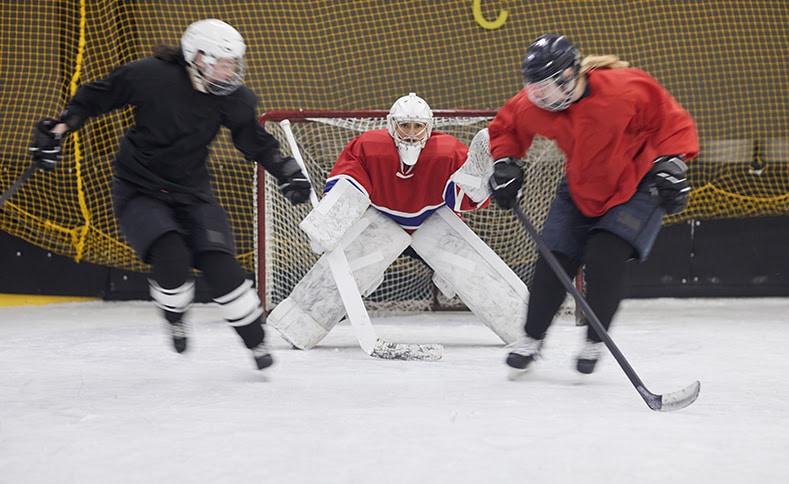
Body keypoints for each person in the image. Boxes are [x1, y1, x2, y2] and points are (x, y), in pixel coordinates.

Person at [27, 19, 311, 370]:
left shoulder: (235, 100)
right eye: (222, 63)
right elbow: (94, 98)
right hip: (139, 189)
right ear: (198, 57)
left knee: (221, 267)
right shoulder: (149, 76)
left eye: (233, 64)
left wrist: (286, 171)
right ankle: (174, 316)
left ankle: (255, 344)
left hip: (192, 192)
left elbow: (255, 142)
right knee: (171, 255)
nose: (230, 72)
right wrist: (57, 130)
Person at [488, 33, 698, 376]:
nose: (542, 96)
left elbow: (670, 119)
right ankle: (531, 338)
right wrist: (506, 161)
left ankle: (594, 339)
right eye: (536, 87)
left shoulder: (624, 88)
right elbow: (507, 126)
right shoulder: (537, 105)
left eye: (549, 86)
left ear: (571, 74)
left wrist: (672, 163)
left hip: (638, 183)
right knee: (555, 259)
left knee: (605, 255)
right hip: (581, 186)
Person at [268, 93, 527, 350]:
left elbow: (461, 199)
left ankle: (524, 326)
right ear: (392, 126)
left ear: (429, 128)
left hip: (432, 218)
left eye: (418, 126)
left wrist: (479, 185)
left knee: (469, 268)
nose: (412, 133)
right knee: (351, 265)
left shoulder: (446, 150)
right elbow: (349, 182)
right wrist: (331, 221)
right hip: (382, 217)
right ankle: (300, 324)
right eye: (405, 126)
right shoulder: (369, 147)